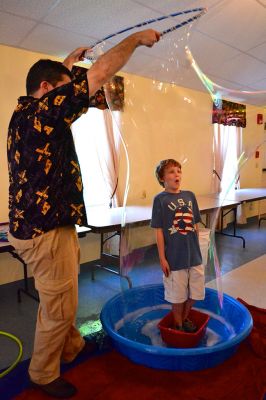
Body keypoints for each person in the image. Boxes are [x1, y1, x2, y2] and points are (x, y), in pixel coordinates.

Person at [7, 29, 160, 398]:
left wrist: (67, 63)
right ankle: (42, 373)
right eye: (60, 88)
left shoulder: (24, 112)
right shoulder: (44, 112)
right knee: (60, 306)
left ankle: (71, 347)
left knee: (61, 294)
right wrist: (137, 39)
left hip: (38, 226)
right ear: (46, 89)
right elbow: (102, 74)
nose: (68, 96)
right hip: (45, 231)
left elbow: (61, 84)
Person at [151, 159, 205, 333]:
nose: (177, 174)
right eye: (172, 172)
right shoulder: (160, 200)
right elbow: (159, 230)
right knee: (177, 295)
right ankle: (179, 326)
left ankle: (183, 317)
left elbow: (195, 225)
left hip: (194, 256)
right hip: (174, 258)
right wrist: (162, 258)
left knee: (196, 292)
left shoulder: (190, 196)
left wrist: (199, 249)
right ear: (162, 178)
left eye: (179, 171)